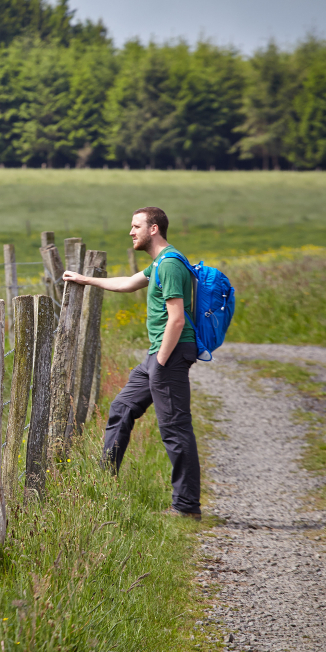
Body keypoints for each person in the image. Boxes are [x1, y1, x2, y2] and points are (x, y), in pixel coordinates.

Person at [62, 206, 202, 519]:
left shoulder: (170, 265)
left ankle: (186, 507)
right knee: (122, 408)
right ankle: (103, 482)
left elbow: (177, 320)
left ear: (154, 229)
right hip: (158, 355)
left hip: (171, 353)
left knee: (175, 429)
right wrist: (86, 279)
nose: (131, 232)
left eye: (136, 225)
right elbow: (127, 283)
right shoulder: (160, 263)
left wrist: (162, 362)